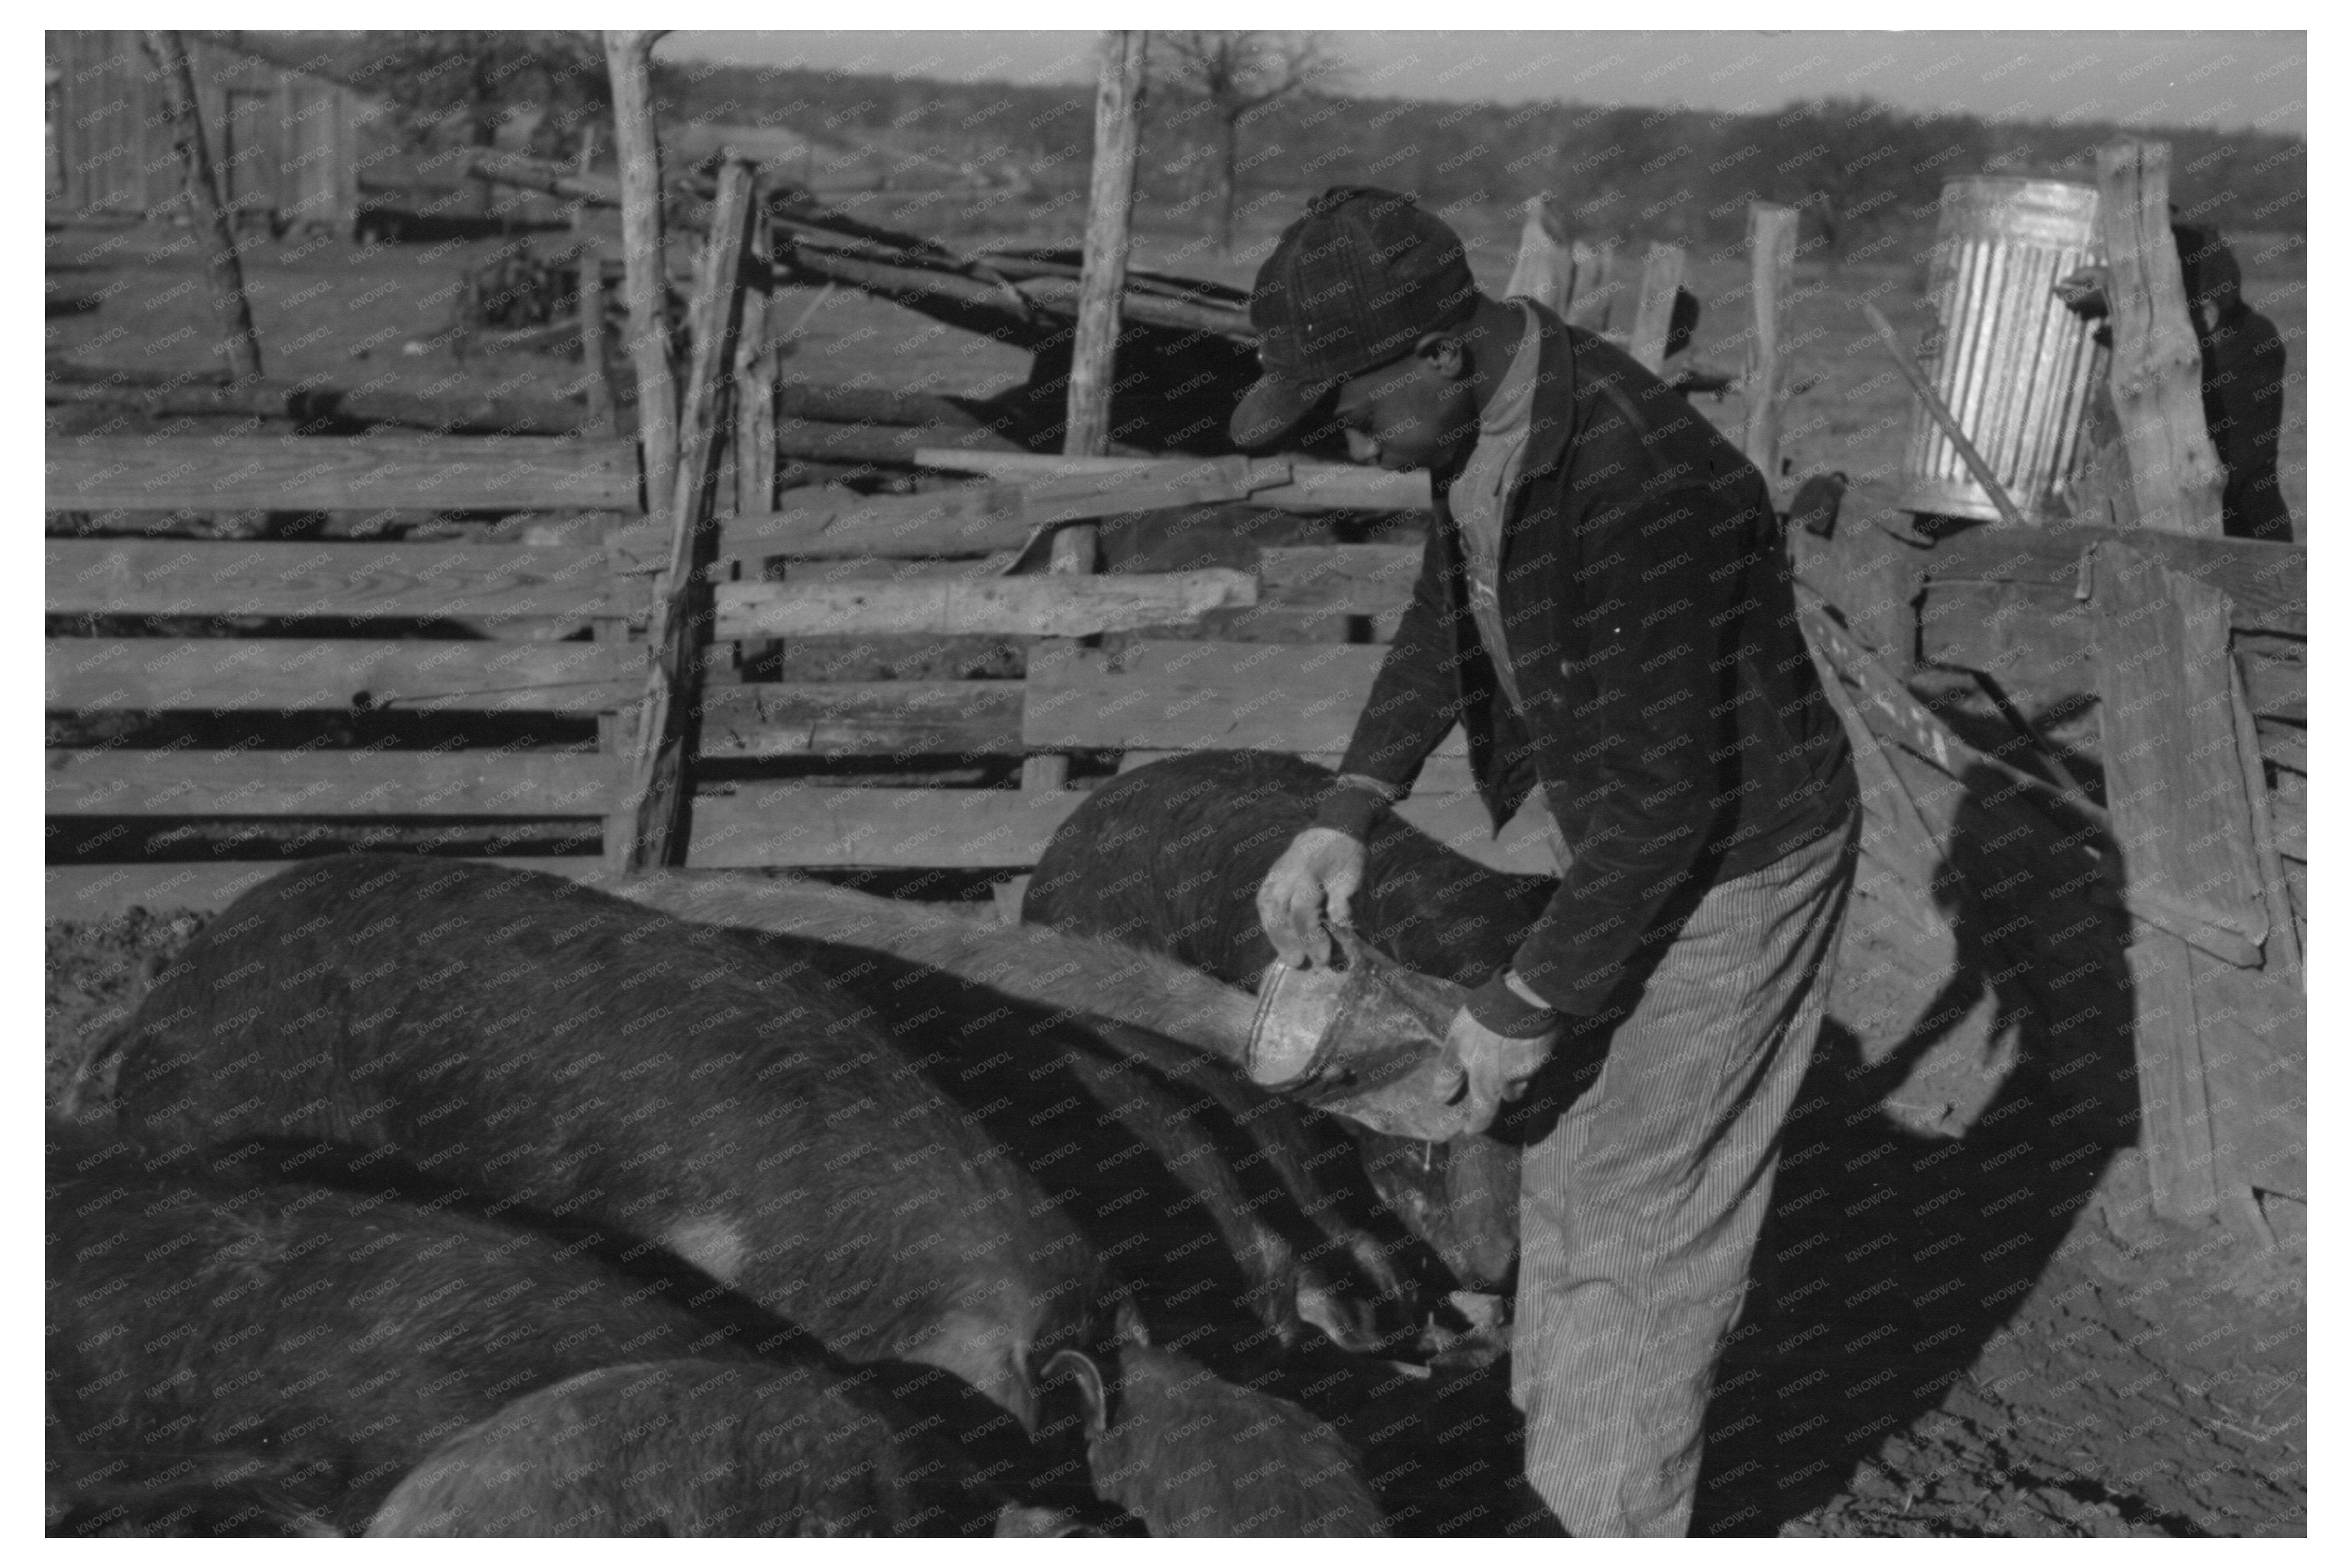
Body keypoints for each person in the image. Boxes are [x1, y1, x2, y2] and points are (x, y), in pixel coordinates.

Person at [1231, 186, 1859, 1536]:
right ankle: (1546, 1478)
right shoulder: (1476, 429)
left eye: (1349, 408)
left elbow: (1669, 813)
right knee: (1566, 1155)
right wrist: (1346, 804)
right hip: (1633, 820)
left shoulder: (1633, 477)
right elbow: (1440, 608)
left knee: (1642, 1221)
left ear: (1438, 354)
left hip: (1731, 856)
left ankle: (1596, 1525)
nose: (1352, 441)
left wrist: (1524, 998)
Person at [2054, 217, 2294, 542]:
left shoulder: (2250, 349)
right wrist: (2117, 293)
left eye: (2148, 303)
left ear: (2206, 316)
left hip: (2238, 545)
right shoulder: (2230, 329)